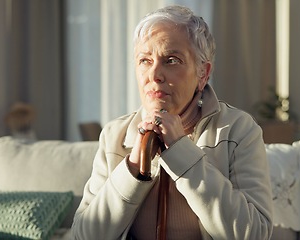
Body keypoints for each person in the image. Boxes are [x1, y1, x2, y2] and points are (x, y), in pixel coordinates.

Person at [71, 5, 273, 240]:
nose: (155, 74)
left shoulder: (238, 129)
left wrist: (182, 153)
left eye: (172, 60)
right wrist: (133, 169)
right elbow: (84, 236)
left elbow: (255, 234)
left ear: (203, 73)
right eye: (145, 60)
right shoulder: (115, 134)